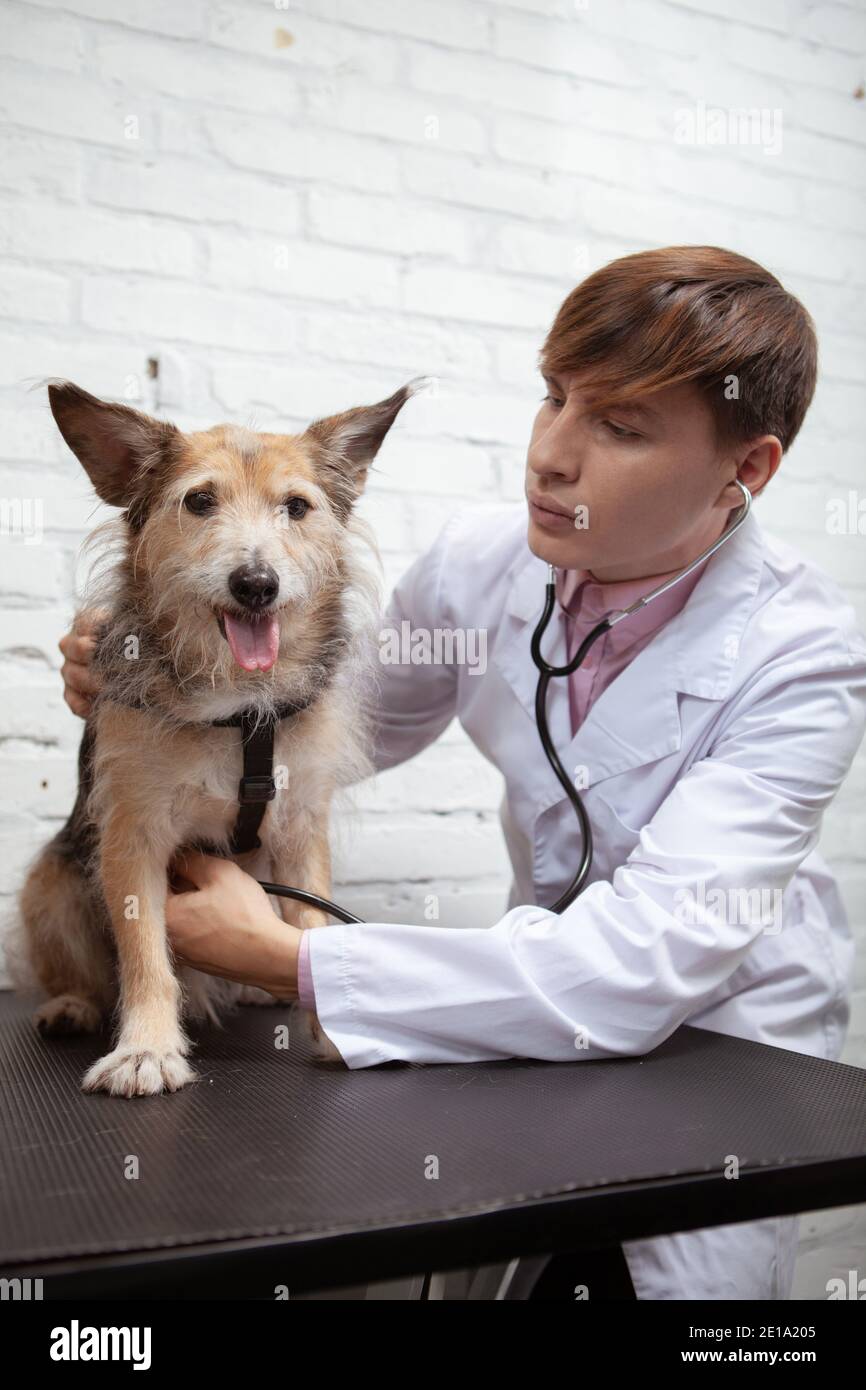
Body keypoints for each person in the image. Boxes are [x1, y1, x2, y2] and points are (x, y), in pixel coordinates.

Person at [58, 246, 866, 1300]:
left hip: (717, 1043)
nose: (550, 455)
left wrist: (288, 962)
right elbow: (326, 736)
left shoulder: (805, 654)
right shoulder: (481, 562)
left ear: (742, 471)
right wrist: (149, 677)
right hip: (513, 1012)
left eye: (617, 426)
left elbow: (637, 964)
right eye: (552, 396)